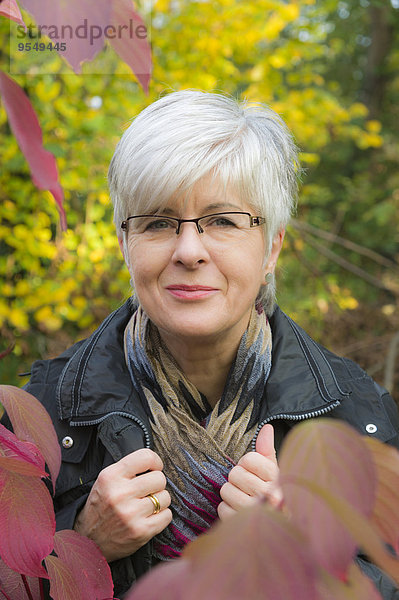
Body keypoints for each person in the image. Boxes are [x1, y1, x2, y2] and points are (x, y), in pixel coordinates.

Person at [15, 90, 399, 597]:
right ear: (126, 244)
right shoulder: (39, 413)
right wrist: (83, 540)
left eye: (222, 221)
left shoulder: (358, 414)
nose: (189, 250)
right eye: (158, 222)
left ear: (272, 248)